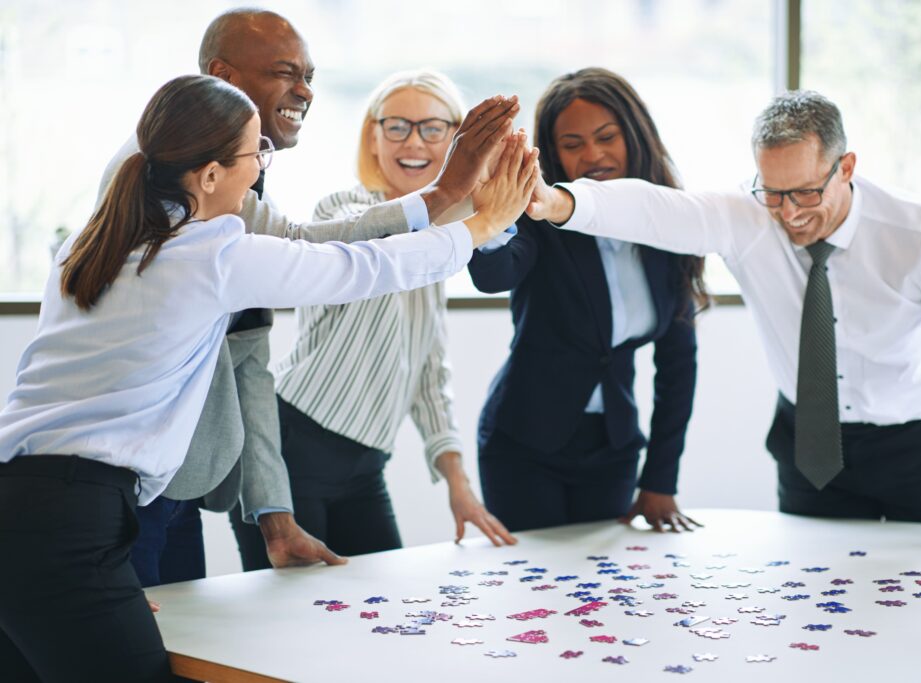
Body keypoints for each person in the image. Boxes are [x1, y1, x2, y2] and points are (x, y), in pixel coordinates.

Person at [0, 74, 535, 682]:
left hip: (23, 499)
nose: (260, 169)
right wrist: (479, 226)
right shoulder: (210, 255)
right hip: (72, 520)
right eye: (256, 154)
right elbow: (356, 269)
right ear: (207, 175)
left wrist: (445, 194)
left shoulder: (87, 245)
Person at [97, 9, 520, 587]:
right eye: (285, 72)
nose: (305, 91)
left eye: (311, 76)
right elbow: (330, 258)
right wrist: (454, 200)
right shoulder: (181, 181)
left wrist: (274, 513)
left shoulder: (235, 184)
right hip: (145, 472)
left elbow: (246, 355)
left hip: (185, 475)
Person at [528, 89, 921, 561]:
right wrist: (559, 203)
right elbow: (655, 210)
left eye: (807, 192)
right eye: (774, 192)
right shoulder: (748, 215)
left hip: (917, 449)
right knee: (817, 610)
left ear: (846, 167)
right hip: (811, 450)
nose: (790, 213)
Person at [228, 69, 517, 571]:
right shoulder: (342, 208)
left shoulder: (443, 243)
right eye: (397, 126)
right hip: (292, 448)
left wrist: (458, 485)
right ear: (374, 136)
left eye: (433, 128)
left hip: (365, 468)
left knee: (384, 617)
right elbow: (389, 253)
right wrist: (472, 208)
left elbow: (428, 373)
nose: (414, 142)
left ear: (457, 141)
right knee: (289, 627)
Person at [468, 68, 705, 533]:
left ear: (634, 136)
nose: (593, 155)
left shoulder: (670, 223)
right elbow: (492, 275)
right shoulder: (540, 218)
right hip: (523, 445)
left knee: (603, 595)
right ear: (553, 153)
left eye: (606, 137)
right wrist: (489, 217)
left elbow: (679, 366)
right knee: (534, 597)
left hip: (613, 448)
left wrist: (660, 480)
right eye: (573, 144)